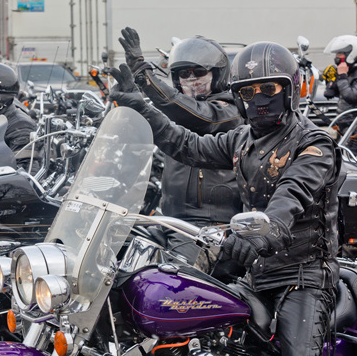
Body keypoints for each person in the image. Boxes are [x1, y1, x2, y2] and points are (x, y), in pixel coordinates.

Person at [110, 41, 341, 356]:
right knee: (200, 331)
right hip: (256, 275)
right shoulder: (242, 139)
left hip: (303, 277)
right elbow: (188, 145)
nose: (258, 98)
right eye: (248, 92)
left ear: (290, 89)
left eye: (269, 88)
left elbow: (292, 193)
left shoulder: (314, 144)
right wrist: (142, 108)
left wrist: (263, 232)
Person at [118, 28, 244, 278]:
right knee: (116, 264)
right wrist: (129, 104)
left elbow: (198, 115)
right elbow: (146, 131)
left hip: (210, 228)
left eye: (199, 72)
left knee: (174, 286)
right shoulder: (174, 112)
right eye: (183, 74)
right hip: (169, 221)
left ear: (217, 74)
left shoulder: (230, 110)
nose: (191, 79)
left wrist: (145, 78)